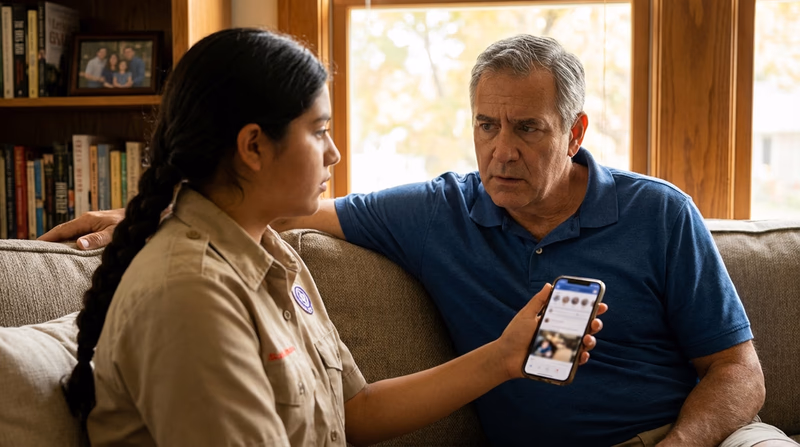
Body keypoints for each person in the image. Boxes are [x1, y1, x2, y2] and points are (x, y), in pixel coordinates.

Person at [43, 35, 798, 447]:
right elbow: (294, 210)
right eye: (486, 125)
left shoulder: (659, 213)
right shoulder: (437, 211)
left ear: (574, 132)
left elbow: (739, 372)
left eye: (527, 129)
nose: (501, 150)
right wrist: (144, 213)